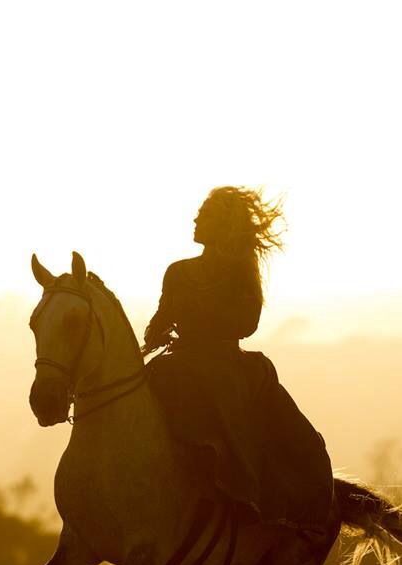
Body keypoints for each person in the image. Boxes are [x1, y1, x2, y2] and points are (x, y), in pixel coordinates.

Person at [143, 186, 333, 533]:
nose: (195, 219)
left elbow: (247, 322)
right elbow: (162, 316)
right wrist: (153, 335)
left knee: (227, 399)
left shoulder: (240, 272)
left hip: (225, 363)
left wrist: (201, 325)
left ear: (221, 224)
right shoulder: (177, 272)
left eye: (204, 215)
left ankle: (245, 487)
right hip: (180, 361)